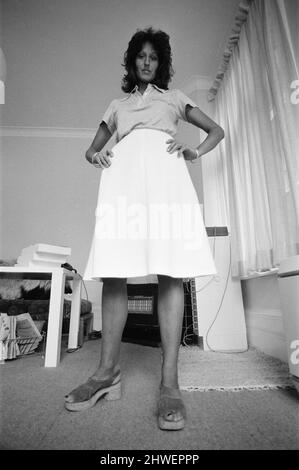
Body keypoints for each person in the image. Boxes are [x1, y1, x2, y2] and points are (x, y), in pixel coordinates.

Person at [64, 26, 224, 431]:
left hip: (166, 184)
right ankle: (106, 372)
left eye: (154, 56)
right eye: (141, 55)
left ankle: (169, 382)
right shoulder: (117, 105)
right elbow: (90, 149)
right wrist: (96, 157)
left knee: (169, 271)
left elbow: (216, 131)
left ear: (161, 62)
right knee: (114, 273)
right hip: (124, 186)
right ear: (133, 61)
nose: (147, 61)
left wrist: (194, 151)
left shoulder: (175, 99)